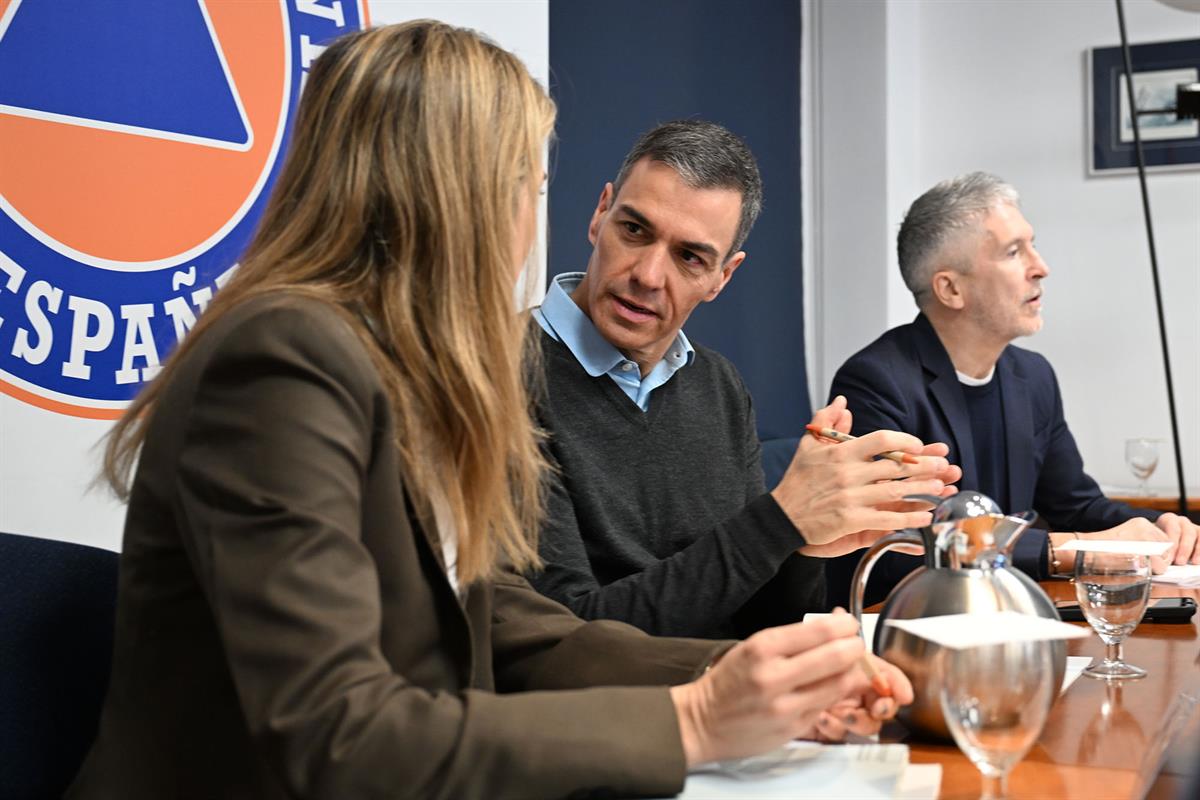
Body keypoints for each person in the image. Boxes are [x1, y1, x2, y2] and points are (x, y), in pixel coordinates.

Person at [67, 23, 913, 800]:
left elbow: (506, 629)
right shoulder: (284, 362)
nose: (527, 224)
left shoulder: (400, 368)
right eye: (528, 188)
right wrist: (690, 721)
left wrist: (750, 681)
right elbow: (334, 734)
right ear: (451, 195)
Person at [530, 120, 960, 638]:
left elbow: (760, 622)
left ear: (722, 276)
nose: (647, 275)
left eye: (690, 257)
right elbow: (565, 641)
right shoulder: (499, 379)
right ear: (601, 214)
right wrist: (779, 523)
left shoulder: (718, 385)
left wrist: (802, 547)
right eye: (635, 231)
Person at [826, 171, 1200, 607]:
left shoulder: (1033, 376)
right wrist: (1065, 549)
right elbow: (899, 547)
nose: (1041, 267)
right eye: (1013, 252)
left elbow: (1077, 507)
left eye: (1032, 245)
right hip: (911, 622)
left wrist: (1162, 527)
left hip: (1004, 614)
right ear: (951, 288)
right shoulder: (877, 382)